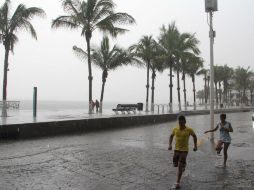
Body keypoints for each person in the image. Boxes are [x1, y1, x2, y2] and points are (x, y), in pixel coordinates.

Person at [168, 115, 198, 189]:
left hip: (184, 150)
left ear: (185, 122)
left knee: (180, 165)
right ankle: (183, 164)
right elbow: (171, 136)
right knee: (175, 164)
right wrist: (170, 145)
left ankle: (177, 182)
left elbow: (194, 136)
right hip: (176, 149)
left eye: (182, 122)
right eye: (179, 122)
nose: (180, 124)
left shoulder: (189, 129)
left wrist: (195, 146)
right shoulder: (175, 129)